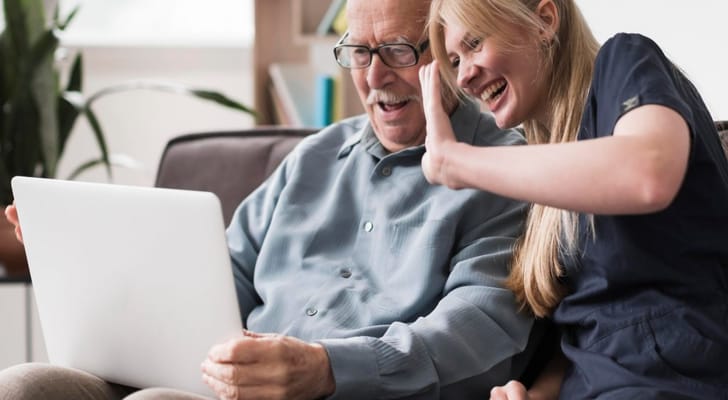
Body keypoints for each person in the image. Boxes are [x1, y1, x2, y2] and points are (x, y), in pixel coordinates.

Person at [0, 0, 546, 399]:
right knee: (23, 386)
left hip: (348, 393)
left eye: (399, 50)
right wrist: (70, 258)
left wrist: (328, 368)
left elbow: (481, 330)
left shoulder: (505, 169)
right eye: (358, 51)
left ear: (450, 49)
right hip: (222, 381)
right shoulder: (313, 158)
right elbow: (212, 281)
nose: (375, 74)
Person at [419, 0, 728, 399]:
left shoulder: (627, 60)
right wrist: (537, 395)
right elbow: (585, 331)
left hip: (675, 377)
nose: (463, 77)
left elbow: (649, 172)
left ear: (544, 21)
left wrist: (456, 161)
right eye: (455, 60)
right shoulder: (547, 169)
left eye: (475, 43)